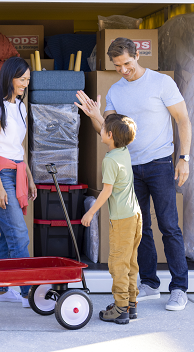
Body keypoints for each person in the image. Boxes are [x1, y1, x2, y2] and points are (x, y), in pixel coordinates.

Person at [75, 37, 192, 312]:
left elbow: (183, 120)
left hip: (160, 163)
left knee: (169, 226)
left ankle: (179, 288)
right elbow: (108, 132)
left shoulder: (161, 83)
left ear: (138, 55)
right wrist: (94, 115)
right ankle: (150, 283)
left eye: (127, 63)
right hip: (130, 168)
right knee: (141, 229)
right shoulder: (116, 91)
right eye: (117, 65)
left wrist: (184, 158)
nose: (123, 69)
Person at [0, 56, 38, 308]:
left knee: (7, 235)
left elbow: (19, 147)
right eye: (22, 79)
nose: (26, 83)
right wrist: (0, 187)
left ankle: (1, 290)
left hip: (18, 172)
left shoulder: (21, 108)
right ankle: (27, 293)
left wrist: (30, 178)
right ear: (9, 78)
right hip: (1, 175)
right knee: (19, 234)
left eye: (27, 79)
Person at [82, 114, 142, 324]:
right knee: (131, 262)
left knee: (118, 264)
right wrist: (96, 113)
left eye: (103, 128)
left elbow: (106, 192)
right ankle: (130, 304)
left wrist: (90, 213)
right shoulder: (123, 151)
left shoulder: (109, 160)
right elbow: (112, 128)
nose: (100, 130)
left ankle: (120, 308)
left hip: (122, 219)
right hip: (135, 215)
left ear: (109, 135)